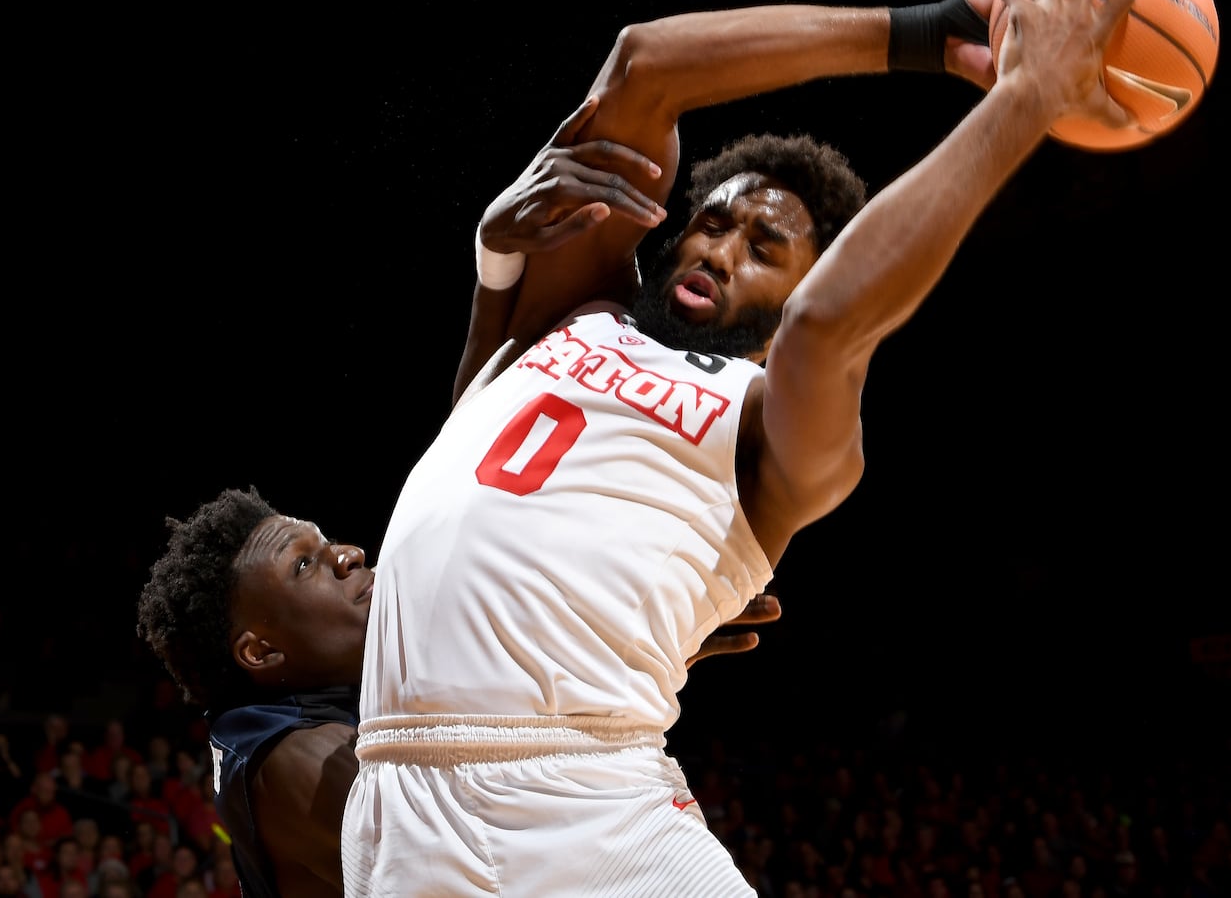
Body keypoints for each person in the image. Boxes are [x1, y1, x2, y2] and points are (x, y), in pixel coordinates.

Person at [341, 0, 1137, 897]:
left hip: (588, 799)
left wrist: (1025, 99)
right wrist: (925, 30)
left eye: (764, 246)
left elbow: (827, 321)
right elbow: (642, 67)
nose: (720, 250)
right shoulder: (571, 308)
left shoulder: (768, 425)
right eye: (713, 223)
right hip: (398, 800)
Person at [137, 103, 789, 898]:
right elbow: (510, 826)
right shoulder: (289, 767)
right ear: (262, 653)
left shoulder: (366, 702)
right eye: (307, 565)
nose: (348, 553)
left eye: (322, 540)